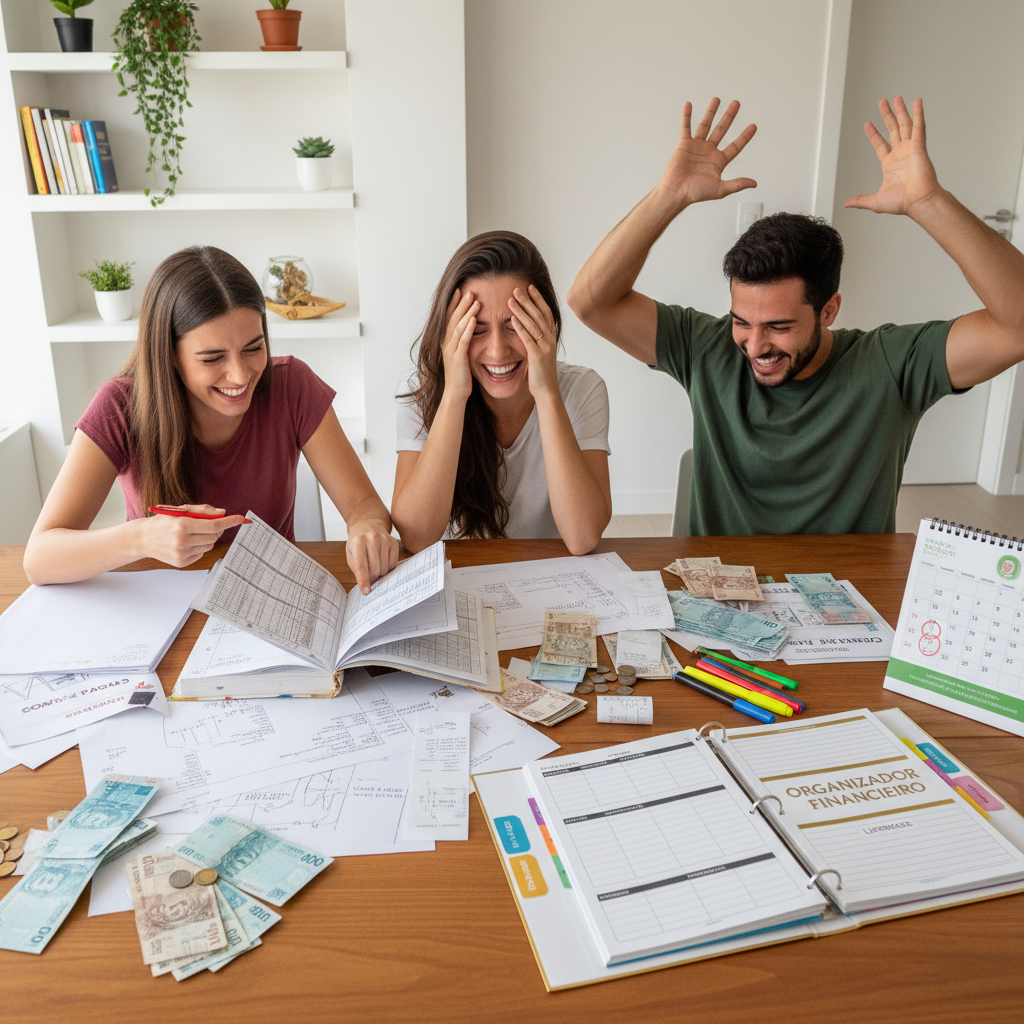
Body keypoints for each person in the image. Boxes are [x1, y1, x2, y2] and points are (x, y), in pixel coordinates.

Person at [568, 97, 1024, 535]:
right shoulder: (707, 348)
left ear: (829, 310)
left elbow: (1016, 328)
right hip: (716, 597)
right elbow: (592, 301)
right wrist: (669, 196)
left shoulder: (890, 363)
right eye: (742, 321)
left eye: (779, 327)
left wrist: (930, 203)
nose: (755, 345)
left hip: (849, 598)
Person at [24, 246, 398, 589]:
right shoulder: (120, 408)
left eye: (254, 348)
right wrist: (141, 537)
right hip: (163, 606)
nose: (240, 375)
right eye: (212, 358)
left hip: (273, 596)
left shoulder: (292, 386)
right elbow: (40, 557)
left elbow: (364, 505)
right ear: (169, 354)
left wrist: (367, 528)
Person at [392, 231, 612, 554]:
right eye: (477, 330)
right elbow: (416, 537)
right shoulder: (419, 393)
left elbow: (583, 537)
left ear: (547, 324)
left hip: (546, 577)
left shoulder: (584, 390)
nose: (497, 351)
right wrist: (454, 393)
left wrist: (547, 392)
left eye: (515, 326)